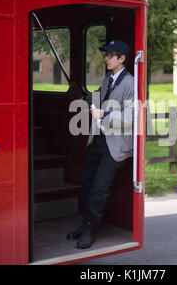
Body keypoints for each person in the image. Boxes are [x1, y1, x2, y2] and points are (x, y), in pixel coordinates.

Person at [67, 40, 134, 249]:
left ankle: (90, 230)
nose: (106, 58)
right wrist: (82, 95)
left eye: (110, 55)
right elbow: (95, 97)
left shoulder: (131, 83)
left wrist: (105, 113)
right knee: (87, 184)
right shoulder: (108, 80)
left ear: (121, 59)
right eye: (105, 55)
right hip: (97, 140)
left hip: (113, 145)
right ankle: (85, 223)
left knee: (99, 188)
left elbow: (131, 116)